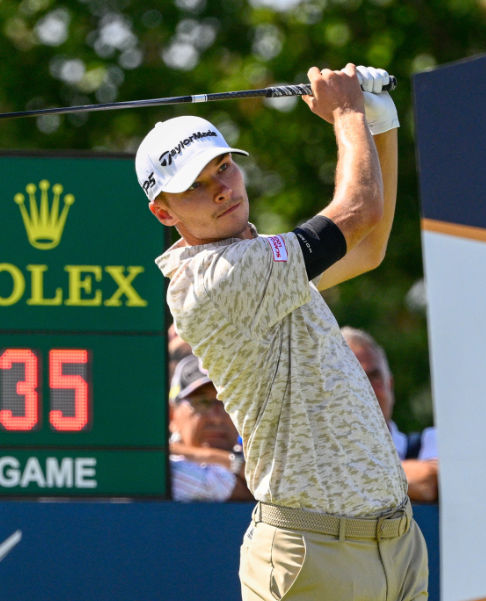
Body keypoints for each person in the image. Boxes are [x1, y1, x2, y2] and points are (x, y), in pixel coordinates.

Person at [136, 64, 428, 600]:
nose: (221, 189)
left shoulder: (266, 263)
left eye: (224, 167)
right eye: (195, 187)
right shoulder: (216, 278)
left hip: (395, 544)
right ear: (164, 211)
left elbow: (368, 247)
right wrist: (346, 114)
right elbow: (357, 211)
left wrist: (379, 121)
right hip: (313, 555)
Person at [342, 326, 439, 503]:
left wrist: (340, 477)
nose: (367, 389)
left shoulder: (430, 442)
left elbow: (429, 481)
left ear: (390, 385)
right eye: (352, 378)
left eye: (374, 376)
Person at [168, 354, 253, 502]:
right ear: (172, 415)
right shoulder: (163, 466)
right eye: (202, 402)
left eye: (227, 403)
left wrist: (227, 461)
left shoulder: (258, 455)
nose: (216, 418)